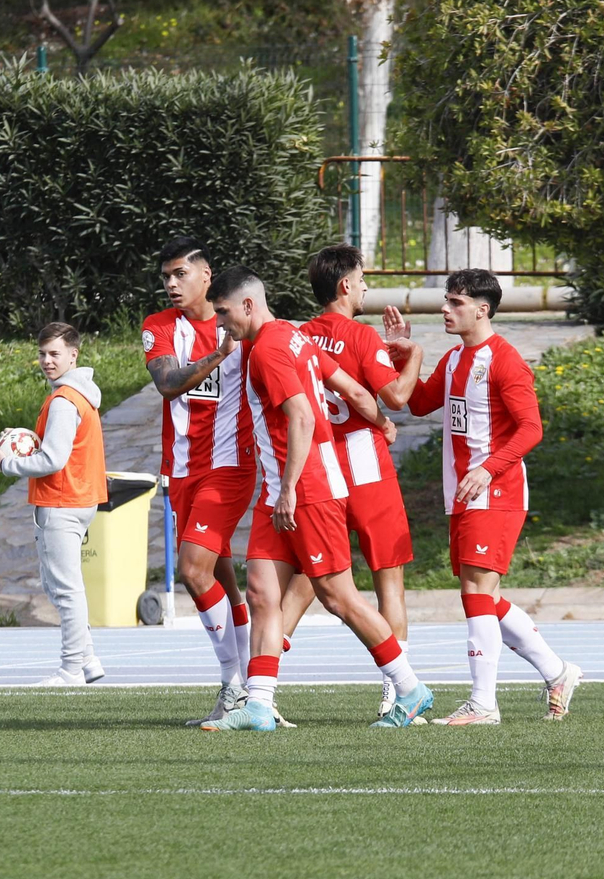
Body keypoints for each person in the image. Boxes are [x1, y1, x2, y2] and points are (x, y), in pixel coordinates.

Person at [203, 266, 434, 731]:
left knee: (338, 597)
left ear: (247, 305)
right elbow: (350, 388)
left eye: (224, 312)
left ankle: (410, 689)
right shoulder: (290, 333)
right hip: (283, 488)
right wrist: (380, 421)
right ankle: (260, 706)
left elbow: (303, 417)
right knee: (263, 593)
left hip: (306, 488)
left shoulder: (268, 347)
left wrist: (288, 488)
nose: (219, 323)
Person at [407, 269, 582, 725]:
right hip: (463, 493)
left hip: (496, 491)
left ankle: (484, 702)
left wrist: (487, 469)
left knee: (475, 592)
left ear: (482, 309)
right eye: (446, 301)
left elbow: (531, 428)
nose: (445, 309)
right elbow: (418, 403)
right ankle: (557, 672)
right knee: (486, 596)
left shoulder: (505, 360)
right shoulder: (453, 360)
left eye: (455, 302)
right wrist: (405, 352)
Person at [279, 245, 424, 717]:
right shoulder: (360, 337)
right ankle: (397, 692)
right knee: (389, 580)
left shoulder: (300, 337)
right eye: (362, 279)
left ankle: (258, 682)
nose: (366, 287)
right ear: (345, 285)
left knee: (312, 575)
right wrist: (412, 353)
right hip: (364, 465)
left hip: (319, 465)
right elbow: (397, 397)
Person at [141, 238, 259, 725]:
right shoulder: (158, 326)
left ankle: (234, 684)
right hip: (182, 470)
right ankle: (255, 687)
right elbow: (168, 384)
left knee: (192, 569)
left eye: (180, 274)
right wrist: (218, 356)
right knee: (223, 581)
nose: (171, 283)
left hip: (230, 465)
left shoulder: (239, 323)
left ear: (206, 276)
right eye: (166, 276)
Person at [0, 322, 109, 686]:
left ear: (73, 356)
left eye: (55, 354)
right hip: (77, 499)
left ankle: (71, 669)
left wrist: (7, 463)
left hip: (61, 501)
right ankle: (87, 661)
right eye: (42, 353)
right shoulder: (78, 394)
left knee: (65, 588)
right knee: (58, 584)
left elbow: (53, 459)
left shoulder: (63, 400)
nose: (46, 360)